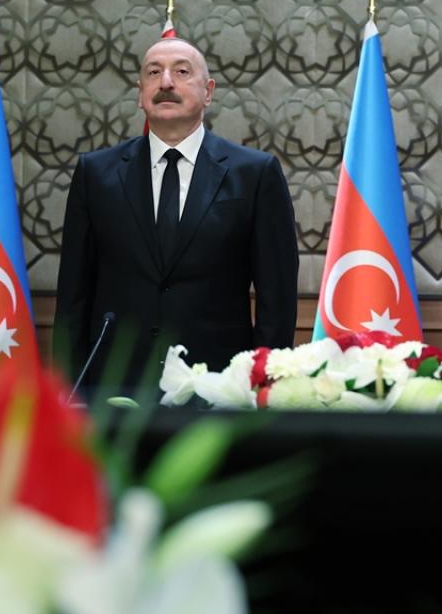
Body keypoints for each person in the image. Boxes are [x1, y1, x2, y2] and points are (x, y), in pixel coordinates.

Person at [54, 38, 298, 395]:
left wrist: (264, 387)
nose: (166, 82)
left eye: (182, 72)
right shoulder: (96, 173)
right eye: (154, 73)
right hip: (116, 384)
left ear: (208, 91)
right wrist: (68, 390)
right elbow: (73, 295)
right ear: (140, 94)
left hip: (220, 384)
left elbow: (277, 297)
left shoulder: (255, 174)